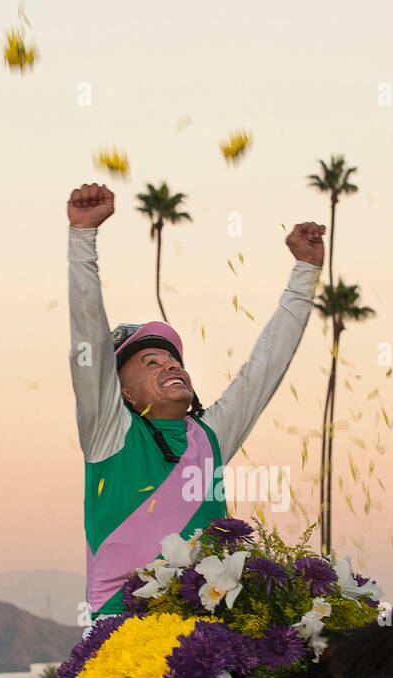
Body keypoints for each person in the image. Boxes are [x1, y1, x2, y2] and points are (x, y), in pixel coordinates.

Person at [67, 182, 324, 620]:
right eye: (150, 361)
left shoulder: (211, 434)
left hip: (205, 622)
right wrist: (82, 237)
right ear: (122, 393)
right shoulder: (109, 433)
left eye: (172, 359)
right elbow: (87, 333)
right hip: (119, 626)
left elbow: (267, 364)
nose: (171, 366)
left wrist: (305, 272)